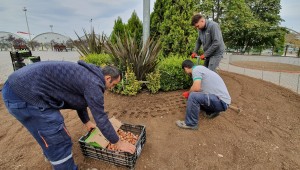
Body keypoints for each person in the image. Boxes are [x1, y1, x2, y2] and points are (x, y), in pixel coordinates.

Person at [2, 60, 136, 169]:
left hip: (18, 86)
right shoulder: (94, 84)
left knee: (45, 133)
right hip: (25, 95)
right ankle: (61, 160)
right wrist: (118, 142)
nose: (112, 88)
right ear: (108, 78)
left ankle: (52, 155)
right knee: (57, 137)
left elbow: (80, 99)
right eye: (113, 85)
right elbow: (100, 117)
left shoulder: (89, 74)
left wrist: (86, 121)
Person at [176, 59, 231, 129]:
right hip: (222, 102)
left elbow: (196, 88)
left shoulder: (196, 70)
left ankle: (191, 123)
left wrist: (188, 93)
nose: (186, 73)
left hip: (221, 102)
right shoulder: (202, 69)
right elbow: (200, 90)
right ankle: (211, 111)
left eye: (185, 71)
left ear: (186, 68)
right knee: (197, 96)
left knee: (193, 96)